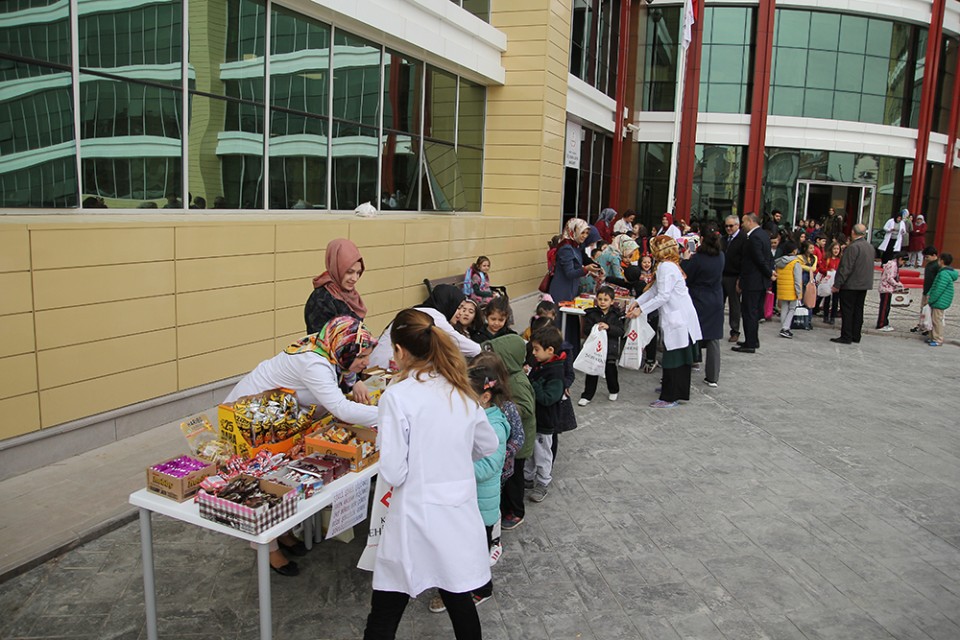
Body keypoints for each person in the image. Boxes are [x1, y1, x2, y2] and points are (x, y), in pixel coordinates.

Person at [362, 309, 498, 640]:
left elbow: (394, 471)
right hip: (456, 515)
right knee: (459, 598)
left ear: (398, 351)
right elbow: (488, 444)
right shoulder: (460, 389)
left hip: (414, 517)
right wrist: (452, 457)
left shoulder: (397, 396)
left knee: (386, 609)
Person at [224, 316, 378, 576]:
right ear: (344, 350)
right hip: (252, 419)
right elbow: (341, 408)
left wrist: (355, 380)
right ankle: (268, 548)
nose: (367, 362)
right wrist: (389, 413)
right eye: (362, 356)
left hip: (278, 419)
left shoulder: (328, 348)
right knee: (264, 482)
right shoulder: (314, 363)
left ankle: (282, 533)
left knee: (282, 479)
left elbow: (344, 376)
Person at [429, 359, 511, 614]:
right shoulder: (470, 415)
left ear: (485, 397)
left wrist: (451, 467)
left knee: (476, 554)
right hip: (464, 501)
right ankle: (455, 587)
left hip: (480, 505)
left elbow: (489, 466)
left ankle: (481, 590)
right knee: (459, 550)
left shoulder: (494, 426)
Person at [627, 235, 702, 408]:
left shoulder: (666, 267)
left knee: (675, 358)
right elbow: (654, 290)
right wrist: (638, 302)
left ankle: (670, 395)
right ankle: (672, 388)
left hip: (678, 318)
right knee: (677, 355)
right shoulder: (667, 265)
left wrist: (641, 310)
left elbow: (663, 296)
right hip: (680, 316)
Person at [486, 335, 536, 531]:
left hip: (520, 441)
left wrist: (507, 410)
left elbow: (527, 407)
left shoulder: (517, 381)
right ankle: (507, 508)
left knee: (515, 480)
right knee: (508, 477)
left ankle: (517, 512)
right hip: (511, 438)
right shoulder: (507, 378)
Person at [370, 284, 480, 368]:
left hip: (378, 363)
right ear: (449, 303)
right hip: (386, 367)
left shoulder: (420, 310)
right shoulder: (433, 316)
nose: (460, 313)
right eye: (459, 307)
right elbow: (472, 348)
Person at [525, 326, 567, 502]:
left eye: (536, 349)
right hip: (535, 419)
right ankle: (527, 477)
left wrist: (533, 384)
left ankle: (543, 482)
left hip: (545, 421)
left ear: (550, 350)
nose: (533, 353)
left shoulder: (556, 372)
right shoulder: (541, 364)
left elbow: (548, 398)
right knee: (529, 451)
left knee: (542, 454)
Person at [549, 218, 603, 348]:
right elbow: (570, 273)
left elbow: (585, 259)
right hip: (562, 290)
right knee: (562, 323)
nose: (584, 236)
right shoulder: (566, 248)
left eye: (586, 233)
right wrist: (586, 270)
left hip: (571, 290)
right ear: (574, 231)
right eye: (582, 232)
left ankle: (572, 352)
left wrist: (598, 268)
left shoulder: (576, 246)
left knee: (571, 323)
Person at [682, 224, 724, 387]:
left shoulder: (698, 258)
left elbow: (686, 276)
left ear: (701, 239)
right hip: (716, 298)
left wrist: (685, 260)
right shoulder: (721, 256)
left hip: (698, 298)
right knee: (713, 337)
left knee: (692, 333)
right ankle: (712, 377)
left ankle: (692, 362)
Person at [305, 238, 367, 334]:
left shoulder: (348, 293)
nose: (355, 278)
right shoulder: (321, 299)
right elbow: (323, 339)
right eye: (349, 272)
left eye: (358, 272)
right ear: (337, 268)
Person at [733, 213, 775, 354]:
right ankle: (753, 340)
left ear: (750, 221)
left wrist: (769, 273)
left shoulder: (754, 237)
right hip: (760, 281)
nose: (742, 224)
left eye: (744, 221)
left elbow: (759, 259)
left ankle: (750, 343)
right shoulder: (763, 235)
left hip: (753, 281)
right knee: (753, 312)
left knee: (749, 312)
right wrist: (770, 272)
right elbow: (768, 257)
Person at [577, 286, 624, 405]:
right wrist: (595, 327)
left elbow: (620, 331)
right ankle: (587, 395)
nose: (602, 302)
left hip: (610, 349)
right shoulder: (591, 314)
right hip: (595, 350)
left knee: (610, 371)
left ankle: (614, 390)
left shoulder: (615, 315)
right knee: (591, 372)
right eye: (600, 299)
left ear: (612, 301)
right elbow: (585, 330)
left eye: (606, 300)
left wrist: (609, 327)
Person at [831, 224, 875, 345]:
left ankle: (846, 335)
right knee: (858, 310)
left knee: (847, 310)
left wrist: (837, 284)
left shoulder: (853, 247)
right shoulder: (870, 247)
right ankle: (856, 335)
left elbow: (846, 267)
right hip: (864, 284)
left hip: (851, 284)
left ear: (853, 232)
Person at [721, 215, 745, 343]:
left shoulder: (743, 239)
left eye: (731, 226)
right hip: (722, 275)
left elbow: (744, 260)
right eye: (726, 226)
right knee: (719, 303)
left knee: (734, 305)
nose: (728, 228)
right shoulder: (723, 239)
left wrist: (740, 279)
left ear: (737, 225)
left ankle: (735, 331)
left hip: (734, 276)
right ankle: (717, 328)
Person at [926, 253, 956, 347]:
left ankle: (938, 339)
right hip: (940, 300)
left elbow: (938, 288)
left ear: (942, 261)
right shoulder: (944, 272)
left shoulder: (943, 274)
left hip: (940, 301)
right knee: (934, 319)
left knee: (936, 321)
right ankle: (932, 337)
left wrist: (931, 299)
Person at [774, 241, 803, 339]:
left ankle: (784, 327)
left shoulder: (779, 262)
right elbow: (798, 279)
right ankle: (785, 328)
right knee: (792, 309)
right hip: (792, 289)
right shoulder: (795, 263)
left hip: (782, 289)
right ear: (794, 251)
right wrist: (799, 293)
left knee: (784, 308)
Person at [912, 246, 941, 335]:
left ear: (934, 255)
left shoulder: (937, 265)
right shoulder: (929, 264)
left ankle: (928, 328)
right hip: (926, 290)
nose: (925, 259)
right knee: (923, 309)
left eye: (927, 257)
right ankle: (922, 325)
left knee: (929, 311)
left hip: (932, 292)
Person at [877, 252, 907, 331]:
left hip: (887, 288)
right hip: (886, 288)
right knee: (884, 307)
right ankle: (881, 324)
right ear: (900, 259)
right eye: (903, 262)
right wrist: (897, 284)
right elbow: (889, 278)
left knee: (886, 307)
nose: (903, 264)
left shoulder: (893, 264)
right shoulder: (893, 265)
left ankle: (884, 322)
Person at [819, 241, 842, 324]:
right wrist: (828, 271)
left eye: (837, 249)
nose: (836, 250)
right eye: (834, 249)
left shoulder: (840, 259)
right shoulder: (827, 258)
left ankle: (832, 317)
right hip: (828, 281)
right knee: (827, 299)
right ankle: (825, 316)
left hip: (836, 282)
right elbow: (821, 268)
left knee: (835, 300)